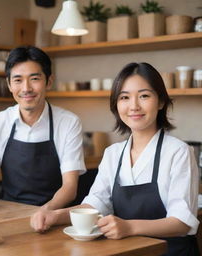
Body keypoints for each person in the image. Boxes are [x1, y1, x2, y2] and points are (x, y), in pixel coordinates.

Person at [30, 62, 200, 256]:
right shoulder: (113, 154)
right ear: (116, 104)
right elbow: (94, 205)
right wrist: (53, 215)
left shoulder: (178, 152)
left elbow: (181, 222)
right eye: (125, 97)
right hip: (128, 252)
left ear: (161, 102)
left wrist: (129, 227)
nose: (134, 106)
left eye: (144, 96)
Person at [0, 46, 86, 211]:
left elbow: (70, 188)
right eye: (18, 80)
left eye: (34, 78)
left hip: (55, 215)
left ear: (49, 81)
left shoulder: (68, 123)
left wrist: (44, 212)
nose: (26, 88)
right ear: (9, 84)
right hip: (10, 215)